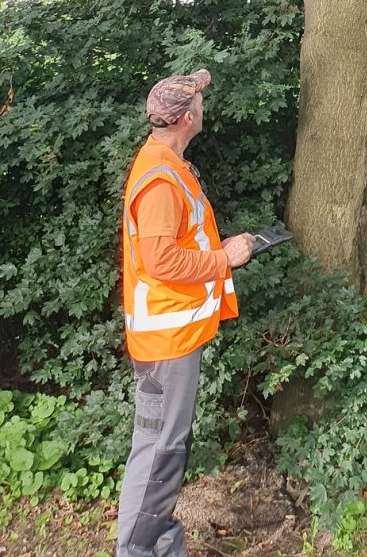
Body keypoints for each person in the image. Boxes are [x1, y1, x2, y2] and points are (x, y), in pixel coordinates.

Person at [116, 68, 255, 557]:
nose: (204, 109)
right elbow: (159, 260)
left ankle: (155, 545)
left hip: (171, 338)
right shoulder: (159, 178)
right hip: (166, 344)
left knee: (159, 449)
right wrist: (225, 258)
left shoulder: (167, 162)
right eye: (199, 102)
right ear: (188, 117)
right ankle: (138, 550)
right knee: (162, 453)